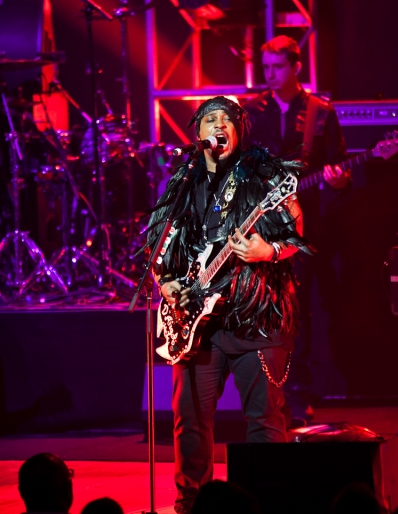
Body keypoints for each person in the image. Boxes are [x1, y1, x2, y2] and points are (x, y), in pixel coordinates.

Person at [142, 96, 310, 513]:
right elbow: (158, 245)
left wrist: (267, 251)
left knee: (265, 422)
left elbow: (295, 229)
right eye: (209, 119)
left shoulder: (265, 173)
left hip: (255, 315)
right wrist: (166, 284)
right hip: (196, 324)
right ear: (196, 133)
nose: (218, 125)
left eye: (226, 119)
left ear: (240, 128)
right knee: (191, 426)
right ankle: (191, 504)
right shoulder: (183, 182)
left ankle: (270, 504)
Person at [242, 35, 348, 423]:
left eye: (277, 67)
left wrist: (337, 179)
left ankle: (298, 392)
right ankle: (261, 390)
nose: (270, 75)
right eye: (266, 68)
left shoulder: (320, 112)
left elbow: (338, 165)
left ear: (296, 67)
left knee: (295, 308)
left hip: (303, 227)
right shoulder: (252, 111)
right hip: (259, 226)